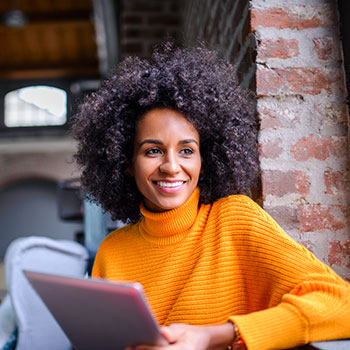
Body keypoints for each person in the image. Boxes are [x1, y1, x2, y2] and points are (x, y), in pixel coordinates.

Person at [71, 43, 350, 350]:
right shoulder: (112, 252)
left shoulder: (234, 219)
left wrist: (214, 335)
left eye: (187, 150)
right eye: (153, 151)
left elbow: (341, 304)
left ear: (206, 158)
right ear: (125, 163)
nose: (171, 167)